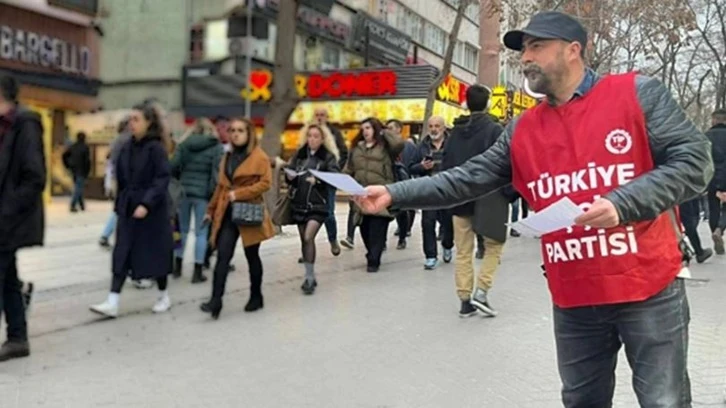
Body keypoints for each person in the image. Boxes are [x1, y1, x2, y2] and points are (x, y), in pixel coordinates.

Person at [355, 11, 712, 407]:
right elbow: (465, 178)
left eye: (537, 46)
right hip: (575, 296)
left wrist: (621, 203)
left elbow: (695, 163)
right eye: (524, 49)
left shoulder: (636, 93)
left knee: (664, 401)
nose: (526, 58)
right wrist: (394, 192)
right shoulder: (522, 129)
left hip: (648, 287)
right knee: (580, 401)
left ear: (573, 50)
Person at [89, 103, 174, 318]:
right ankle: (112, 301)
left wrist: (146, 204)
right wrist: (120, 205)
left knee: (154, 254)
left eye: (136, 119)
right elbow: (121, 178)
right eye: (130, 119)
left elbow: (162, 178)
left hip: (152, 211)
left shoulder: (156, 148)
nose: (131, 123)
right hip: (128, 207)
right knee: (122, 252)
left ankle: (163, 295)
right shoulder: (127, 146)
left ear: (149, 123)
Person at [441, 84, 507, 318]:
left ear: (467, 103)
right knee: (494, 246)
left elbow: (446, 165)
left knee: (463, 251)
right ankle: (482, 292)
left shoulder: (455, 132)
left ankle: (464, 300)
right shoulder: (494, 130)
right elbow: (504, 162)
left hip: (460, 197)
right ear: (488, 102)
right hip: (489, 198)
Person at [201, 118, 274, 319]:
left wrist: (239, 194)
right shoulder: (228, 156)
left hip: (249, 211)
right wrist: (210, 210)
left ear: (249, 133)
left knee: (252, 256)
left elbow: (266, 183)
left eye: (240, 130)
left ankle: (256, 296)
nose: (235, 134)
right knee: (223, 256)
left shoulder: (259, 156)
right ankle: (216, 301)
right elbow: (221, 186)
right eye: (232, 130)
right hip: (228, 212)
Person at [0, 73, 46, 362]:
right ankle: (18, 338)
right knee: (7, 280)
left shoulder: (24, 124)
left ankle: (18, 337)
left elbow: (34, 176)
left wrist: (6, 210)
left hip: (9, 220)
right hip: (5, 219)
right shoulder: (5, 127)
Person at [287, 123, 340, 295]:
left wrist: (318, 181)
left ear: (322, 138)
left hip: (318, 205)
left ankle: (309, 279)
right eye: (309, 136)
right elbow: (291, 176)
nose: (312, 139)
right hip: (300, 204)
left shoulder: (328, 157)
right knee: (304, 240)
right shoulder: (300, 155)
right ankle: (310, 275)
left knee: (309, 236)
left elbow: (334, 178)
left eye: (316, 136)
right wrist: (290, 177)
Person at [345, 118, 404, 272]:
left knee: (377, 229)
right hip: (361, 195)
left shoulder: (386, 147)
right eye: (363, 128)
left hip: (381, 192)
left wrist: (384, 132)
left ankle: (374, 260)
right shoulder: (356, 149)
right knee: (365, 229)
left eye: (369, 128)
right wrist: (345, 183)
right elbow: (349, 168)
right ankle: (371, 253)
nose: (365, 131)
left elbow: (399, 144)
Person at [170, 118, 224, 283]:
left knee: (183, 230)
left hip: (184, 192)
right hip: (203, 195)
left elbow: (173, 166)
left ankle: (177, 267)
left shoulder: (184, 145)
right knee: (201, 233)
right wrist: (212, 194)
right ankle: (197, 271)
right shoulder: (216, 147)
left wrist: (180, 181)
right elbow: (217, 174)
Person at [409, 115, 453, 270]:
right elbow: (411, 167)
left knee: (448, 223)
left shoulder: (453, 144)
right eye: (431, 126)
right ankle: (430, 256)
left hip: (448, 191)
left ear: (444, 128)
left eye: (437, 126)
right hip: (428, 191)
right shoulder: (422, 146)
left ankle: (448, 245)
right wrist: (421, 167)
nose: (434, 129)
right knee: (428, 223)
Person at [313, 108, 349, 256]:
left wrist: (335, 171)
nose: (320, 118)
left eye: (322, 115)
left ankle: (332, 240)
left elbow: (344, 152)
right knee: (309, 214)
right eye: (317, 115)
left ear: (327, 117)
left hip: (328, 180)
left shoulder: (334, 133)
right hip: (311, 180)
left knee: (328, 213)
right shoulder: (310, 132)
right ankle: (307, 247)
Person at [99, 118, 131, 249]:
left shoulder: (116, 140)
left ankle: (106, 235)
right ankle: (106, 235)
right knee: (121, 209)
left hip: (116, 177)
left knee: (119, 208)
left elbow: (110, 159)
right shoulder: (127, 140)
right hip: (124, 179)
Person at [387, 119, 416, 249]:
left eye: (391, 127)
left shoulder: (408, 146)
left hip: (403, 181)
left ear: (399, 129)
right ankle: (381, 242)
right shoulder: (384, 146)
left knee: (402, 211)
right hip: (388, 181)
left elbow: (413, 163)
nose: (388, 130)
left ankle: (402, 237)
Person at [707, 108, 726, 253]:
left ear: (714, 120)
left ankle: (715, 230)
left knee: (713, 209)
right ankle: (720, 229)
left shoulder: (705, 137)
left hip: (711, 178)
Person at [679, 196, 713, 263]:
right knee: (690, 222)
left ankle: (697, 251)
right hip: (684, 194)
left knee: (691, 220)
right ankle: (699, 252)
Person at [63, 131, 91, 212]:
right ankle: (73, 204)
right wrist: (88, 171)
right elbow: (87, 161)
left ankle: (82, 204)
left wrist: (67, 165)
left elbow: (64, 155)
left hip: (73, 169)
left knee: (78, 186)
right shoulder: (85, 147)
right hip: (82, 170)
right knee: (78, 188)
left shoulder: (73, 147)